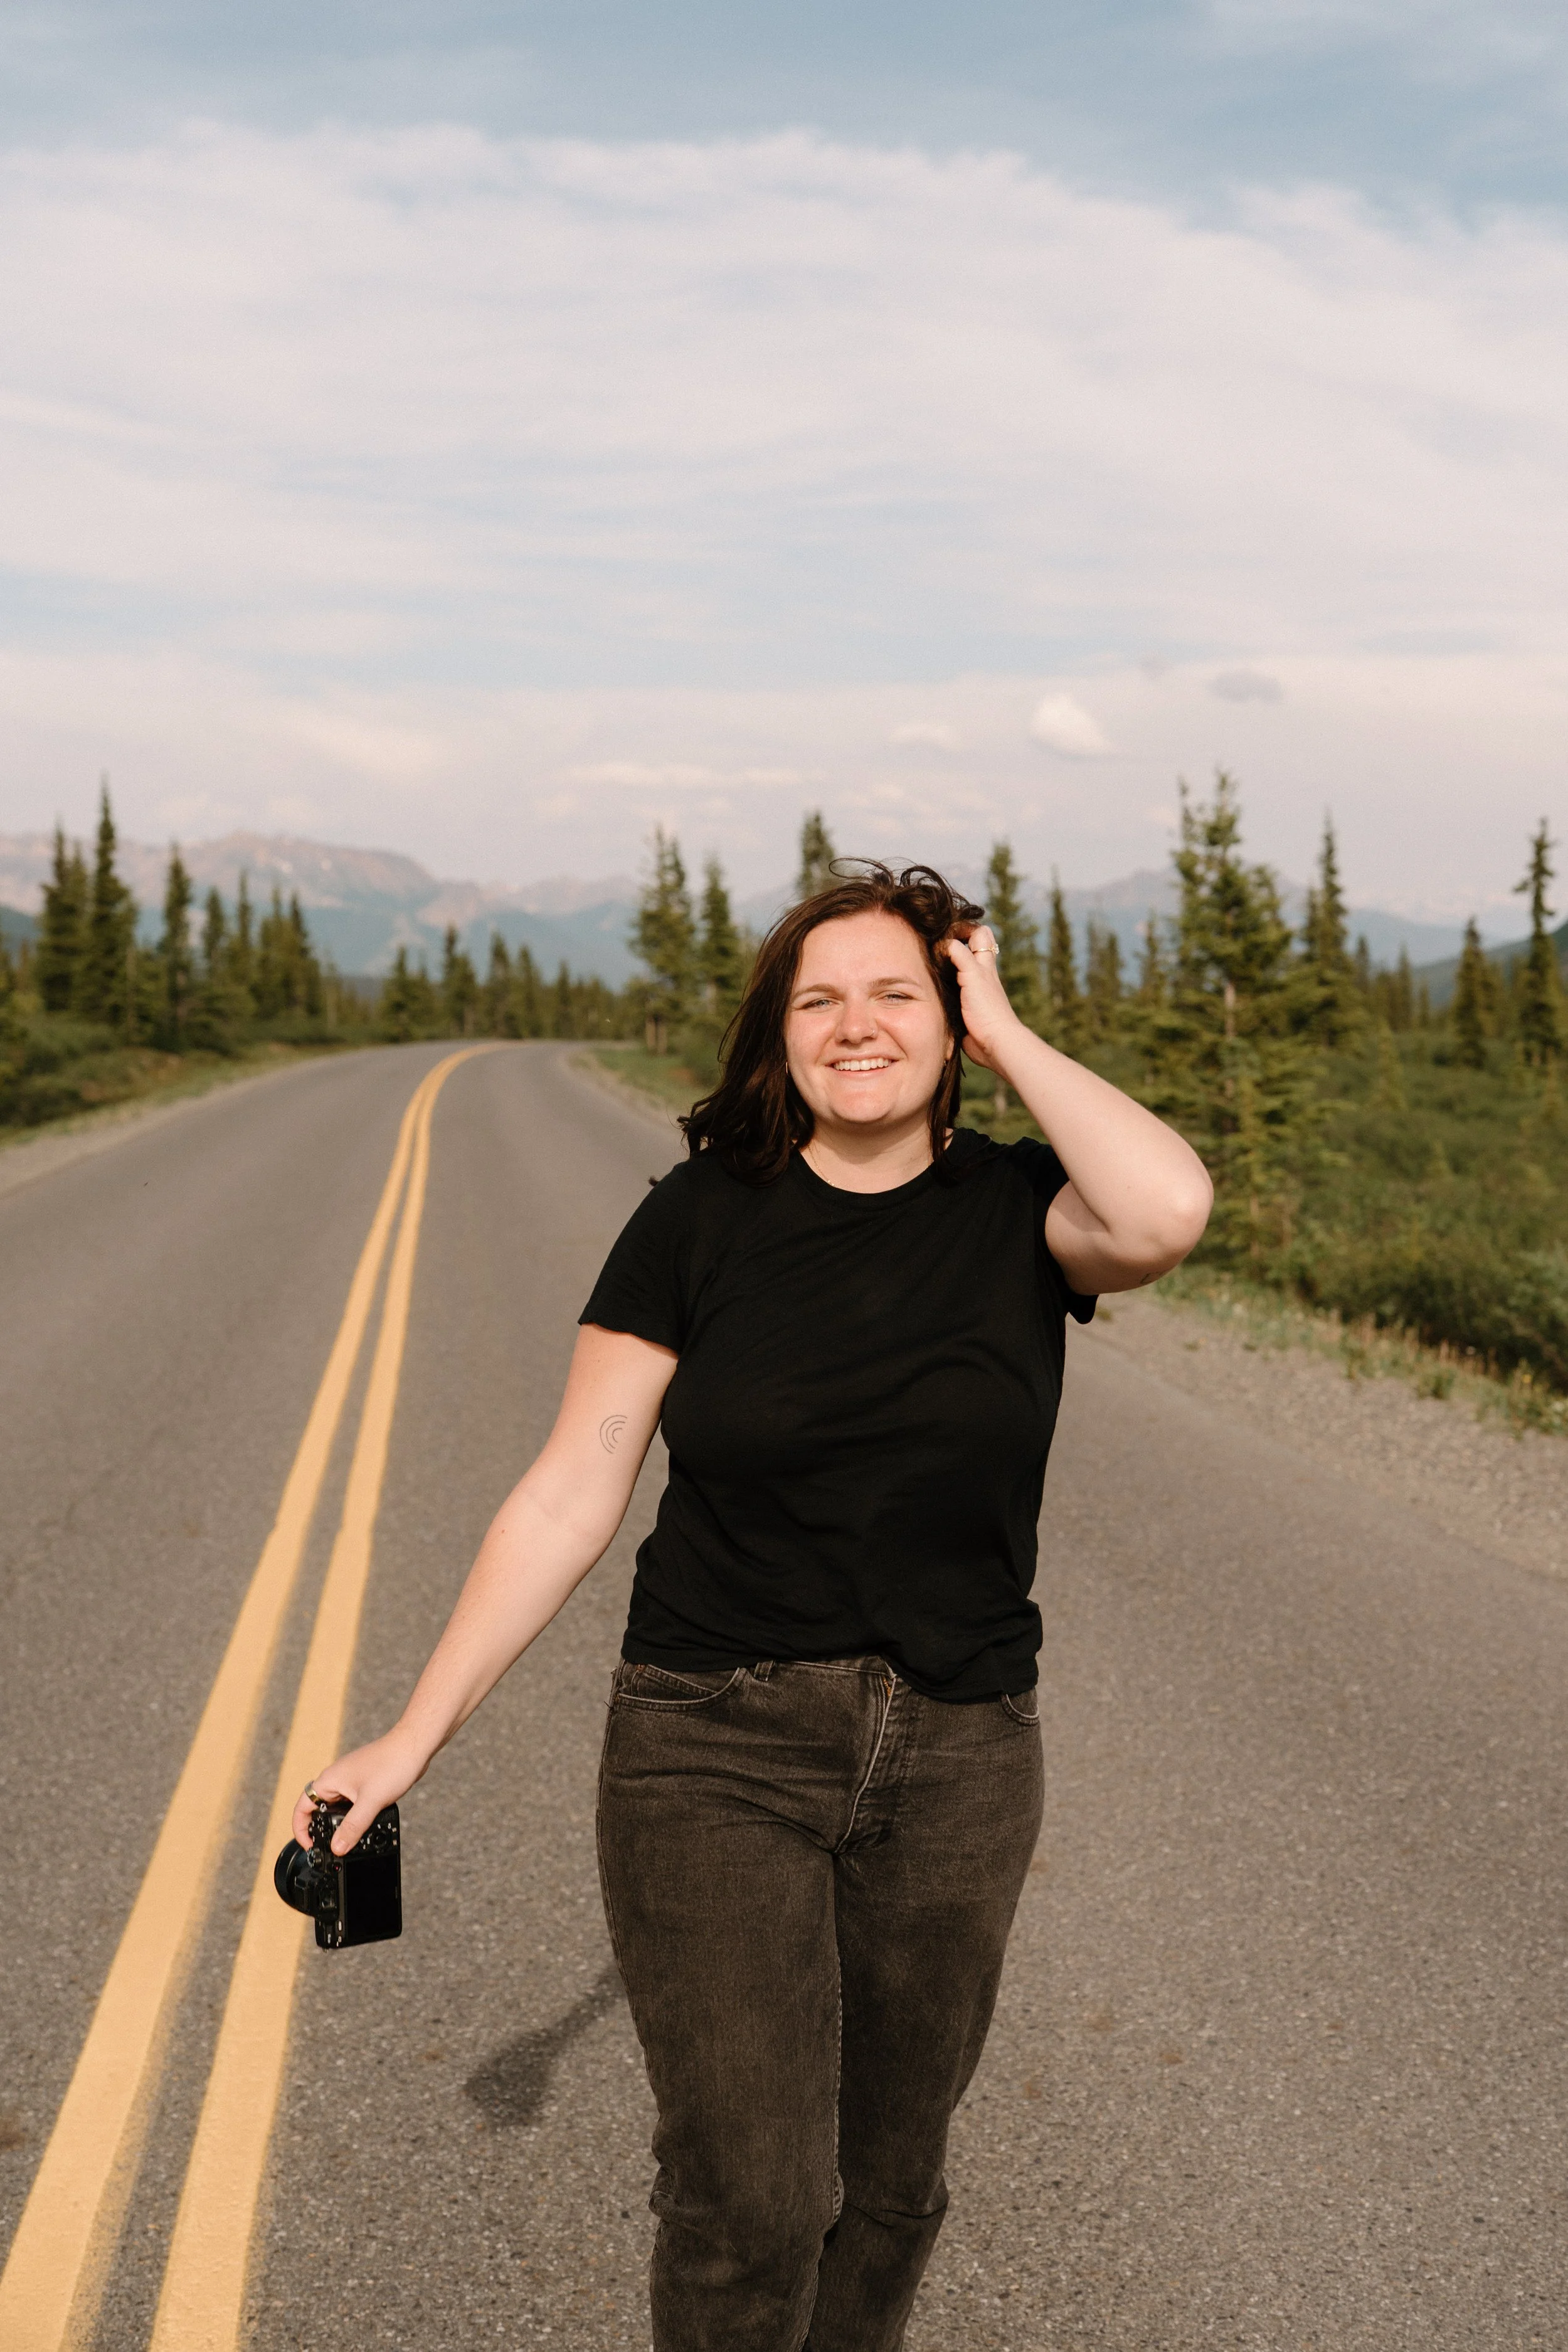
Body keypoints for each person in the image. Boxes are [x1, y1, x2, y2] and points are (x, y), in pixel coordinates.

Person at [298, 861, 1212, 2350]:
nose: (856, 1025)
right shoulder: (698, 1220)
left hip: (961, 1752)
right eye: (819, 999)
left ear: (954, 1019)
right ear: (777, 1038)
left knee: (892, 2183)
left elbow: (1168, 1204)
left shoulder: (1022, 1213)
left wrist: (1005, 1029)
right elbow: (570, 1490)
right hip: (710, 1741)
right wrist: (410, 1737)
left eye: (896, 994)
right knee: (753, 2195)